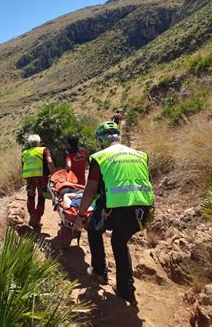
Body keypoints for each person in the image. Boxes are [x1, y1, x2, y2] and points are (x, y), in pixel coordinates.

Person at [75, 121, 154, 305]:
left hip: (115, 209)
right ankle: (126, 289)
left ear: (101, 140)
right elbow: (146, 180)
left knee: (94, 229)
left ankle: (100, 272)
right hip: (142, 211)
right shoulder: (140, 155)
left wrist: (80, 216)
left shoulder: (100, 157)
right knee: (119, 241)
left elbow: (91, 189)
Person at [21, 134, 55, 231]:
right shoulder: (44, 150)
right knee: (41, 197)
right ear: (39, 142)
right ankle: (38, 218)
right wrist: (53, 172)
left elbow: (24, 166)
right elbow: (49, 160)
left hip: (30, 178)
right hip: (42, 177)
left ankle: (32, 214)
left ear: (30, 143)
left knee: (31, 196)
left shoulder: (25, 152)